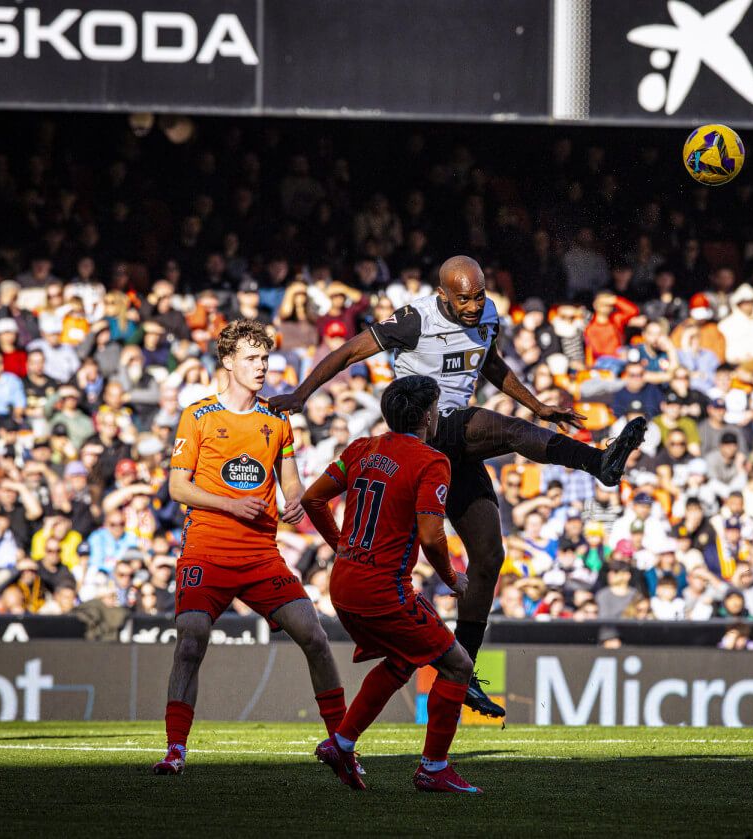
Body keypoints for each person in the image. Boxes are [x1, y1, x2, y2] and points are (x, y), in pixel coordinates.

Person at [269, 255, 646, 717]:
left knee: (489, 556)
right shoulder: (415, 319)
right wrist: (301, 394)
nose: (472, 306)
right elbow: (347, 352)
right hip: (425, 432)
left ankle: (463, 670)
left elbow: (491, 365)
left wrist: (537, 405)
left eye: (478, 296)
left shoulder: (488, 315)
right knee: (504, 428)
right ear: (442, 295)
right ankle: (599, 462)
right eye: (463, 299)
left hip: (454, 452)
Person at [153, 320, 346, 776]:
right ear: (228, 362)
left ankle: (342, 743)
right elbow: (178, 487)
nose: (262, 366)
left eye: (265, 358)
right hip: (206, 550)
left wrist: (295, 500)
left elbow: (290, 481)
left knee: (315, 636)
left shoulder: (276, 419)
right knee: (191, 639)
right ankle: (176, 750)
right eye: (252, 358)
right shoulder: (198, 415)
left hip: (261, 555)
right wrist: (229, 504)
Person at [301, 375, 480, 793]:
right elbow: (432, 537)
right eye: (435, 408)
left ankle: (342, 743)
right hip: (383, 590)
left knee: (402, 658)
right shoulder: (431, 461)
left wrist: (341, 544)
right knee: (458, 666)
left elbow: (312, 499)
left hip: (343, 584)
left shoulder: (361, 448)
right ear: (428, 415)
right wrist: (452, 578)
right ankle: (433, 768)